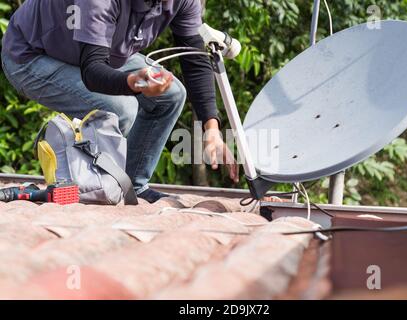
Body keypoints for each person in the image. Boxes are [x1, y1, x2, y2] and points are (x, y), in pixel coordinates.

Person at [1, 0, 239, 203]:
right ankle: (89, 186)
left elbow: (194, 61)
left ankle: (133, 185)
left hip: (90, 52)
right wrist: (133, 82)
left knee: (172, 95)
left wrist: (212, 128)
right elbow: (93, 71)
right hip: (30, 56)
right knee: (120, 109)